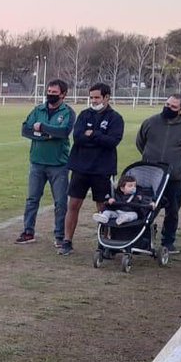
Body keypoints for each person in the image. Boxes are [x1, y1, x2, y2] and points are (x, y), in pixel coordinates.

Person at [59, 82, 123, 256]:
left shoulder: (115, 118)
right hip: (80, 167)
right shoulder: (84, 115)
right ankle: (67, 241)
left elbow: (112, 141)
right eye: (91, 97)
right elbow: (78, 137)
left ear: (106, 97)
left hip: (102, 170)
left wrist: (93, 134)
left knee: (103, 209)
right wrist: (99, 138)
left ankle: (104, 243)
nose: (93, 101)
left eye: (97, 97)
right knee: (73, 205)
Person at [136, 93, 181, 254]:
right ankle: (143, 240)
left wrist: (178, 162)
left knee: (172, 211)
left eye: (173, 106)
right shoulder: (150, 122)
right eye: (167, 104)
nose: (168, 108)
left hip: (174, 178)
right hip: (151, 176)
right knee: (145, 208)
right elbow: (140, 142)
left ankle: (168, 242)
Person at [16, 79, 76, 248]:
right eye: (49, 91)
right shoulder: (38, 109)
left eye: (54, 92)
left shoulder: (68, 112)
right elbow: (25, 129)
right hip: (37, 162)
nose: (50, 94)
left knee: (60, 202)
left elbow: (63, 132)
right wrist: (46, 135)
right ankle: (28, 232)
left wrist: (42, 127)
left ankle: (60, 236)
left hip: (58, 164)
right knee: (32, 199)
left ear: (63, 94)